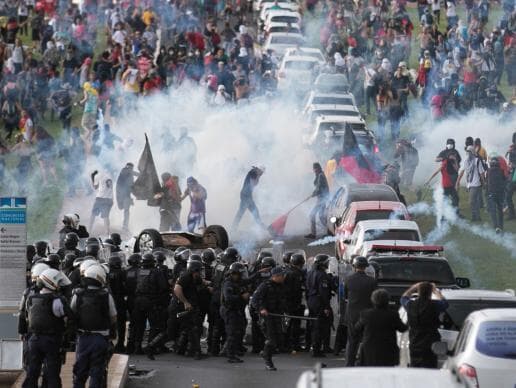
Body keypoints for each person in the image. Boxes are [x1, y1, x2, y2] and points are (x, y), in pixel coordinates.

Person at [21, 268, 70, 388]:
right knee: (52, 372)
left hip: (34, 339)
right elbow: (67, 317)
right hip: (51, 340)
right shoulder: (57, 300)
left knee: (32, 372)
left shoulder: (31, 298)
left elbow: (27, 316)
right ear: (51, 282)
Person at [71, 265, 117, 387]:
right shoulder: (106, 296)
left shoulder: (78, 294)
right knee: (97, 371)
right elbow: (113, 317)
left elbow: (71, 313)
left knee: (80, 372)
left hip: (83, 337)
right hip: (101, 338)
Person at [400, 282, 448, 368]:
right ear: (430, 293)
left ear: (418, 292)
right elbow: (445, 303)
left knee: (415, 368)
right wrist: (436, 291)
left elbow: (403, 298)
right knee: (430, 368)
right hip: (431, 344)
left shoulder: (410, 305)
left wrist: (413, 287)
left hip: (415, 342)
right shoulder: (434, 305)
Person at [355, 289, 407, 366]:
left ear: (373, 300)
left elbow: (357, 328)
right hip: (388, 350)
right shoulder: (393, 315)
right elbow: (402, 329)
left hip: (369, 350)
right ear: (387, 300)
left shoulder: (366, 314)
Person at [344, 256, 377, 367]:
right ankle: (365, 364)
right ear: (366, 267)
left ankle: (349, 365)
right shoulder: (372, 281)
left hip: (352, 315)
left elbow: (345, 296)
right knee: (367, 341)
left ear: (354, 266)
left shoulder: (348, 279)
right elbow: (375, 299)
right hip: (367, 315)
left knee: (352, 341)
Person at [252, 267, 286, 371]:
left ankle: (265, 352)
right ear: (276, 276)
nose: (284, 277)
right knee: (271, 340)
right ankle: (268, 362)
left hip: (277, 316)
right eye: (282, 275)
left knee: (278, 340)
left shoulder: (280, 286)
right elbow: (255, 300)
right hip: (267, 316)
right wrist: (262, 309)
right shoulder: (264, 286)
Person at [173, 259, 205, 359]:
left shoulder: (193, 277)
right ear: (193, 270)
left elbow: (201, 282)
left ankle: (181, 349)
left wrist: (207, 285)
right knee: (194, 329)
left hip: (191, 306)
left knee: (188, 328)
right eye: (198, 271)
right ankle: (196, 352)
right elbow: (177, 289)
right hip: (186, 307)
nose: (200, 273)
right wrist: (185, 302)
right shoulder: (185, 276)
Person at [221, 262, 249, 363]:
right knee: (232, 333)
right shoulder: (228, 283)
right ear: (234, 273)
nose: (241, 276)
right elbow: (228, 298)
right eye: (239, 274)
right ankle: (230, 355)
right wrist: (241, 297)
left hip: (236, 310)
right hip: (229, 310)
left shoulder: (237, 282)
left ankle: (231, 351)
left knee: (239, 331)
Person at [305, 254, 332, 357]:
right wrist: (326, 307)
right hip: (319, 302)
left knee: (313, 325)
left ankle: (313, 346)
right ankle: (316, 350)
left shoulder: (310, 272)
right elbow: (324, 292)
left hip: (312, 300)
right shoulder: (322, 275)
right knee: (319, 326)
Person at [232, 166, 266, 231]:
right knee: (241, 213)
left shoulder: (255, 174)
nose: (262, 174)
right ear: (259, 170)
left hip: (248, 196)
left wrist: (258, 175)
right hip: (245, 196)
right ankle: (233, 228)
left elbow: (254, 184)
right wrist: (258, 174)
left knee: (255, 212)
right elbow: (254, 181)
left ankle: (262, 227)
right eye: (262, 172)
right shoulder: (253, 172)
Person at [457, 145, 485, 221]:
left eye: (469, 151)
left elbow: (481, 173)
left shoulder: (477, 161)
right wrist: (457, 181)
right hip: (470, 184)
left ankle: (474, 216)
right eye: (467, 152)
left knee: (472, 201)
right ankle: (477, 217)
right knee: (474, 202)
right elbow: (462, 172)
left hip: (476, 184)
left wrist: (484, 182)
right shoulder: (465, 161)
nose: (468, 153)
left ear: (472, 152)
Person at [283, 253, 306, 352]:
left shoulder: (287, 271)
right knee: (293, 325)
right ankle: (292, 345)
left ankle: (290, 344)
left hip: (290, 303)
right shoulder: (295, 274)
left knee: (290, 325)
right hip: (292, 303)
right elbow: (295, 290)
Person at [107, 256, 127, 353]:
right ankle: (120, 344)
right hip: (119, 299)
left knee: (111, 322)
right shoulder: (122, 272)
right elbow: (125, 286)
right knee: (121, 323)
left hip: (109, 299)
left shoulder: (106, 272)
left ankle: (110, 342)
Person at [305, 163, 330, 239]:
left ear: (318, 168)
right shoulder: (320, 175)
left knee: (312, 215)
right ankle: (331, 231)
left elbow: (319, 189)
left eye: (315, 168)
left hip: (322, 199)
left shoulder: (321, 176)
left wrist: (312, 195)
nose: (314, 170)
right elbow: (318, 188)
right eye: (314, 169)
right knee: (322, 216)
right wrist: (312, 194)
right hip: (322, 199)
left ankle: (313, 234)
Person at [486, 154, 507, 233]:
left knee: (493, 210)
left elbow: (486, 182)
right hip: (500, 193)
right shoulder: (501, 171)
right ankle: (501, 226)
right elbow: (504, 180)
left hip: (492, 193)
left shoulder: (489, 171)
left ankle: (496, 227)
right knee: (500, 210)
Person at [89, 170, 114, 235]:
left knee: (93, 215)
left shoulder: (97, 176)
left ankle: (89, 231)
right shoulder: (108, 175)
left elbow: (95, 187)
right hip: (109, 200)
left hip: (101, 199)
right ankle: (107, 233)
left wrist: (92, 179)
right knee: (105, 216)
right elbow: (109, 184)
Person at [116, 162, 138, 231]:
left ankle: (125, 226)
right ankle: (125, 226)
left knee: (126, 211)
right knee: (126, 211)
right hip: (123, 195)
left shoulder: (129, 176)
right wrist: (143, 174)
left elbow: (132, 187)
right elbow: (134, 173)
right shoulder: (125, 170)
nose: (131, 169)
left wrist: (137, 194)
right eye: (131, 168)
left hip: (125, 196)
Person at [506, 132, 516, 220]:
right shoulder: (511, 150)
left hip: (514, 177)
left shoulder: (512, 151)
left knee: (508, 196)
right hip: (513, 176)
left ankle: (512, 214)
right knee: (508, 196)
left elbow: (512, 164)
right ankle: (512, 214)